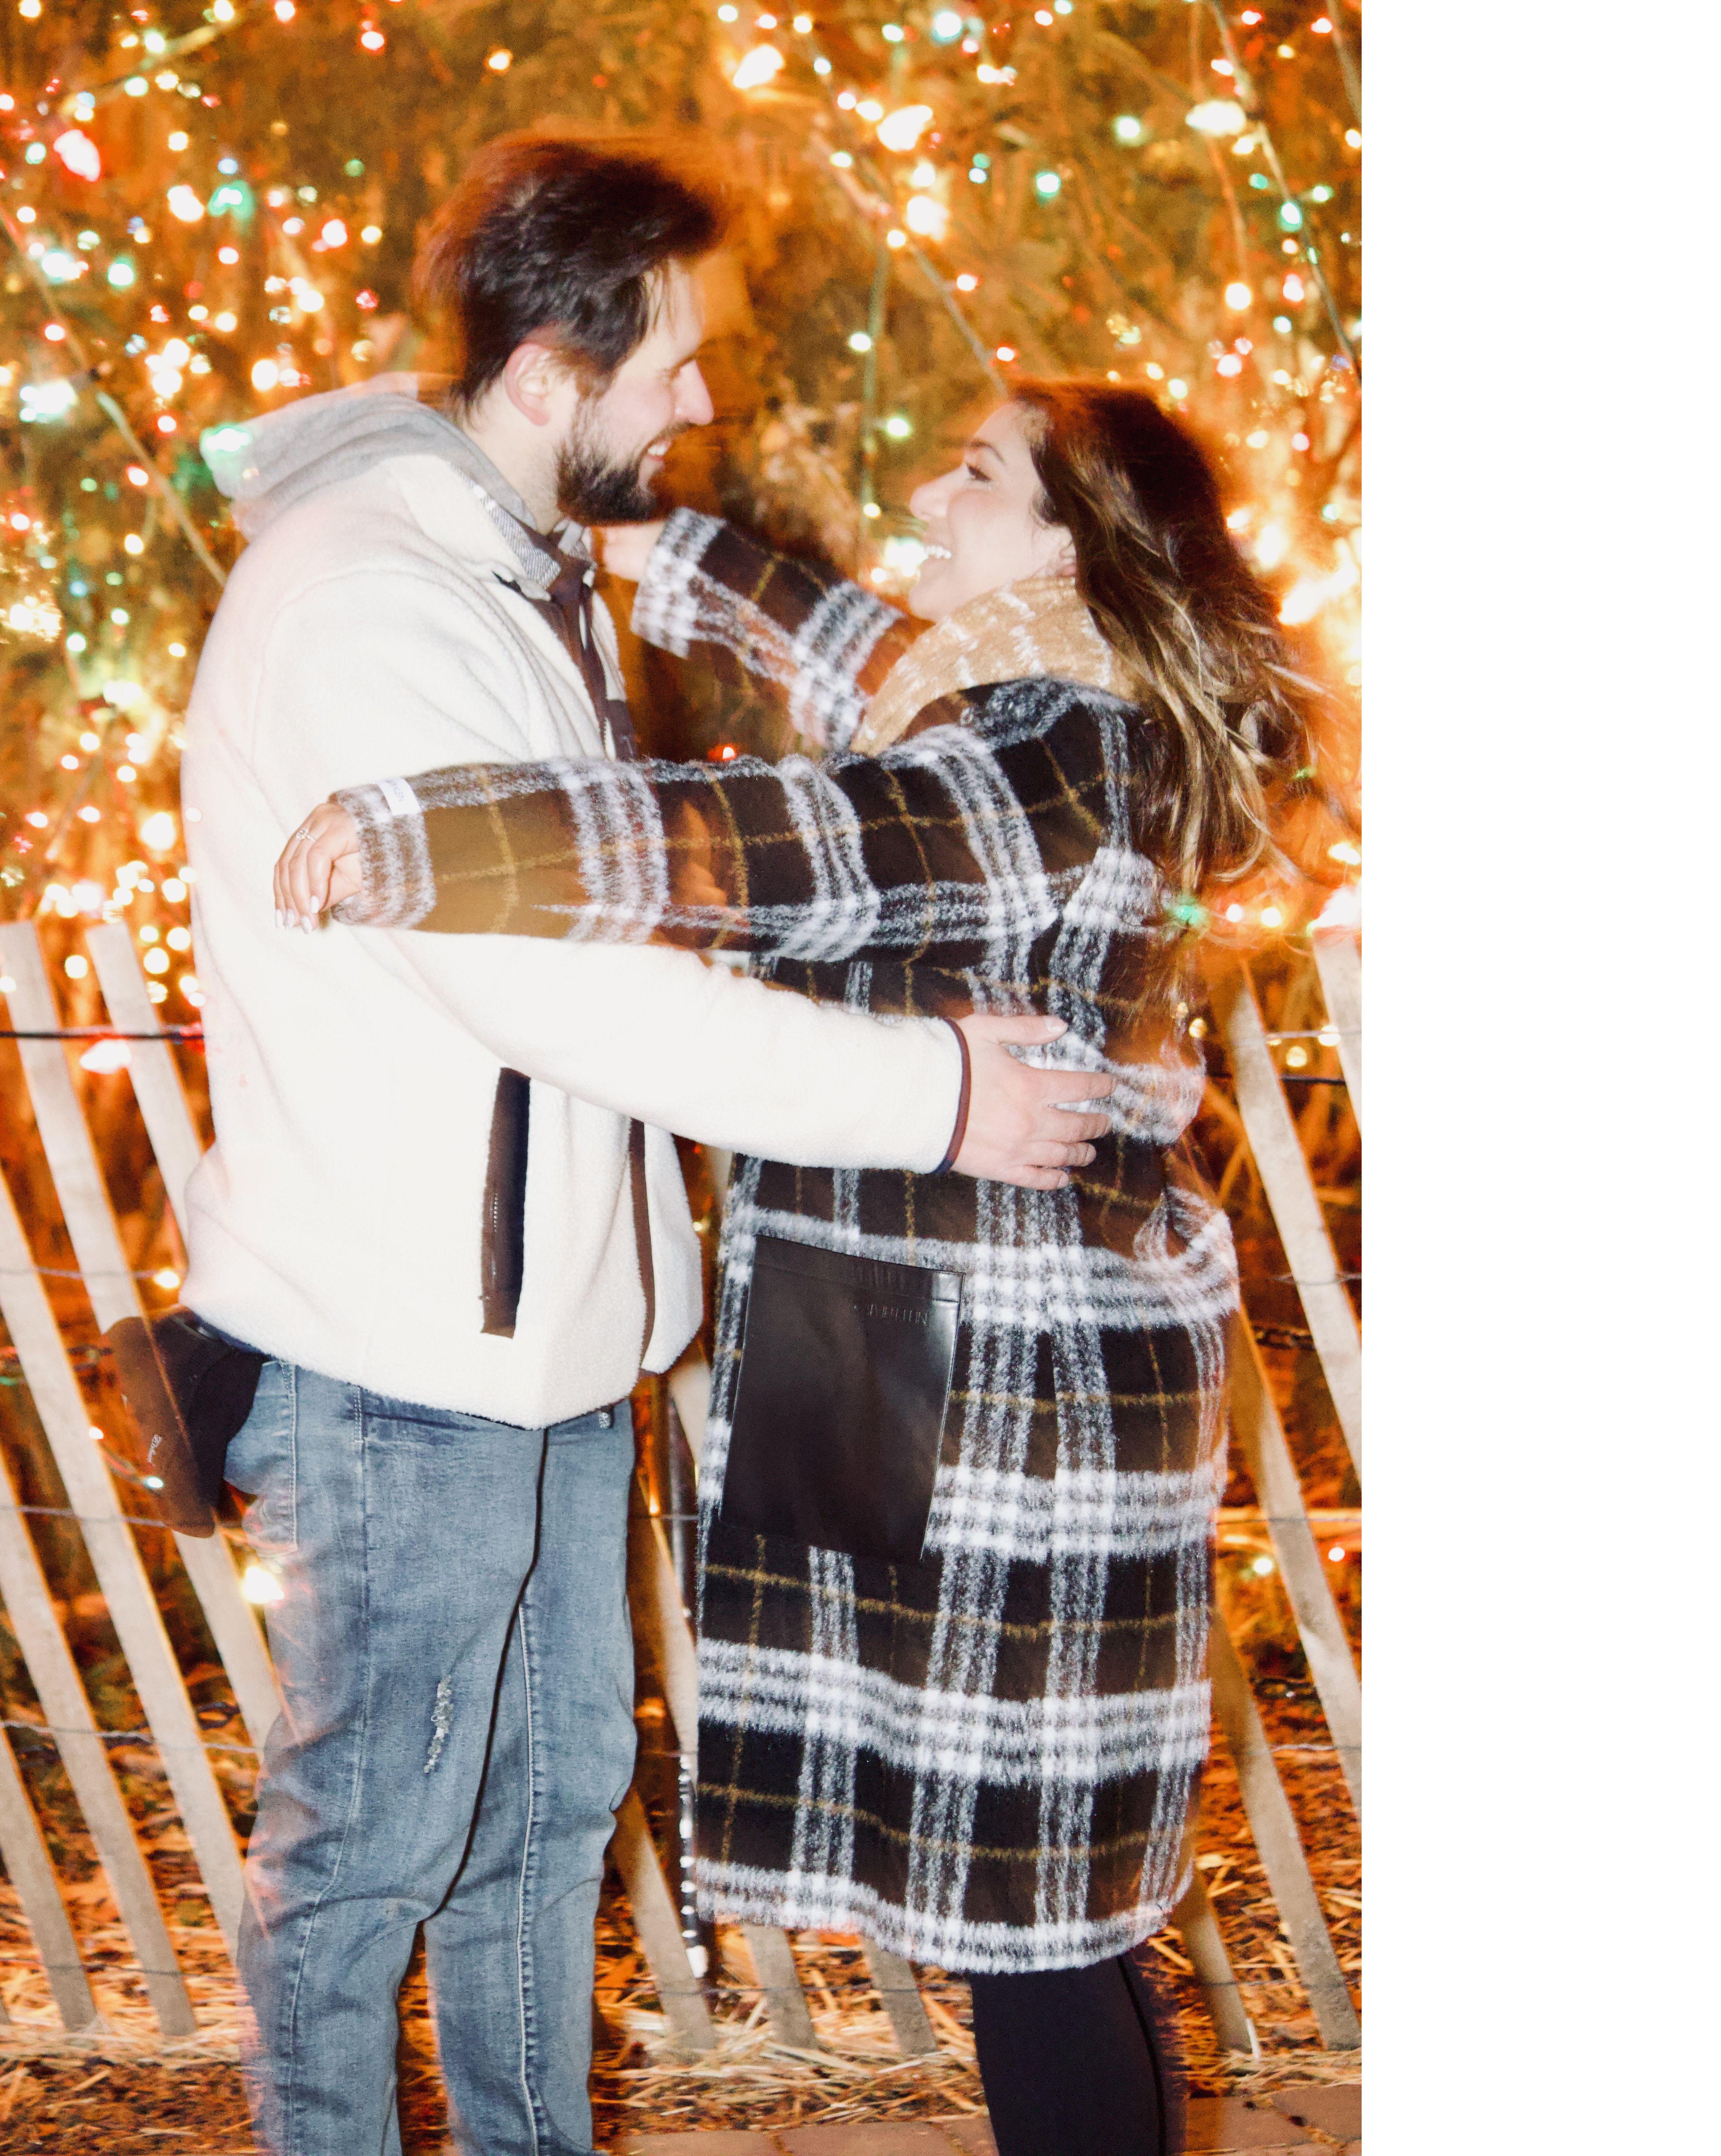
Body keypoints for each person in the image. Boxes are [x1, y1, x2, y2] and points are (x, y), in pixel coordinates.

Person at [275, 377, 1348, 2156]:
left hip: (1013, 1406)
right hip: (985, 1367)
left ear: (1068, 542)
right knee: (1045, 1921)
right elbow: (858, 655)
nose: (929, 492)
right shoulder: (1043, 695)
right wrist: (655, 542)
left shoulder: (1045, 745)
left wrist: (433, 834)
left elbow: (780, 842)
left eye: (977, 472)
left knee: (1034, 1935)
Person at [178, 134, 1117, 2156]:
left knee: (544, 1822)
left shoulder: (510, 565)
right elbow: (571, 989)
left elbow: (711, 818)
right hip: (405, 1352)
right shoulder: (371, 602)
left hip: (536, 1345)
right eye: (675, 359)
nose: (707, 397)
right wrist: (941, 1091)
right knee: (372, 1854)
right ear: (546, 375)